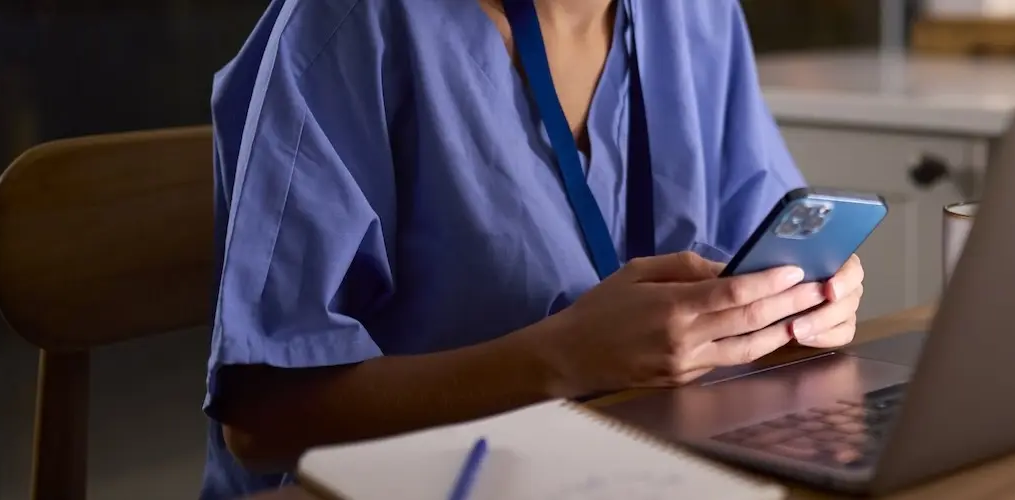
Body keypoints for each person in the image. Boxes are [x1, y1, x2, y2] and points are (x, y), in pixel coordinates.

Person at [201, 0, 865, 497]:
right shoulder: (349, 23)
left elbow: (755, 257)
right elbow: (261, 423)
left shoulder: (696, 15)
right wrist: (558, 360)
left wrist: (801, 306)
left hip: (641, 471)